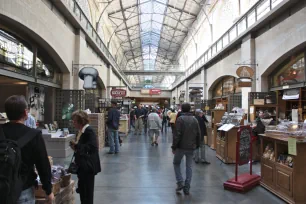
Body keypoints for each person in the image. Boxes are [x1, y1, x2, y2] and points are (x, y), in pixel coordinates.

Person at [1, 95, 54, 204]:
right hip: (23, 190)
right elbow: (42, 164)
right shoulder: (34, 135)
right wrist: (48, 190)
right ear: (25, 113)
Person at [70, 110, 101, 204]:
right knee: (83, 192)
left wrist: (77, 146)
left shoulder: (89, 131)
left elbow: (93, 148)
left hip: (88, 167)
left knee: (87, 193)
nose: (73, 123)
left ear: (81, 121)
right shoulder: (82, 131)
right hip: (83, 167)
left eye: (75, 121)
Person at [172, 103, 200, 195]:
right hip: (191, 147)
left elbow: (177, 135)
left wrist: (174, 147)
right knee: (189, 166)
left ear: (182, 110)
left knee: (176, 163)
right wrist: (197, 145)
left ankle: (180, 182)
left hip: (181, 147)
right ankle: (187, 187)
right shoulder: (195, 120)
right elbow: (198, 134)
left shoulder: (180, 119)